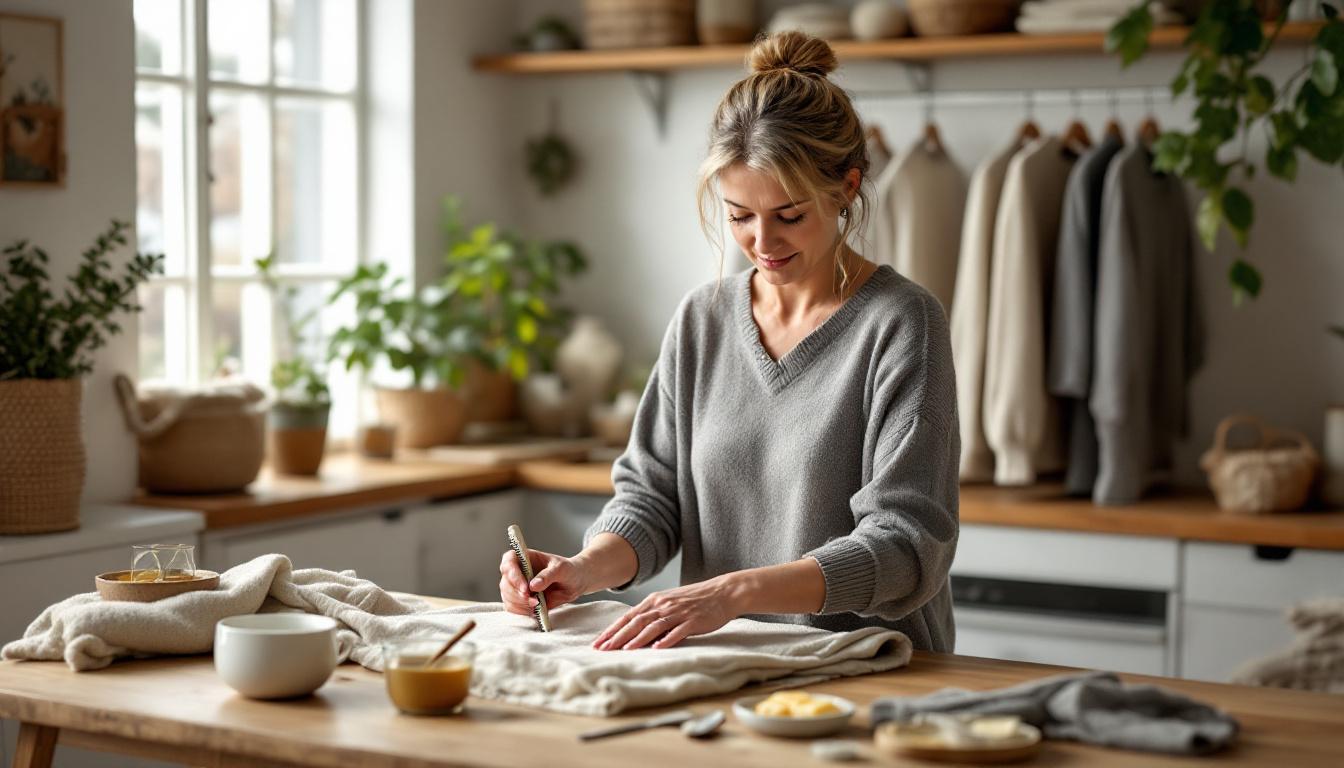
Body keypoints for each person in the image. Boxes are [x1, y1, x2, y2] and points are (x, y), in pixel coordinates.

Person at [499, 31, 960, 653]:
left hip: (867, 670)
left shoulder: (902, 323)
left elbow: (906, 547)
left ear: (847, 188)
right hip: (722, 670)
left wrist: (732, 593)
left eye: (789, 215)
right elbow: (652, 500)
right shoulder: (702, 319)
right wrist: (583, 570)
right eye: (739, 215)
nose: (762, 242)